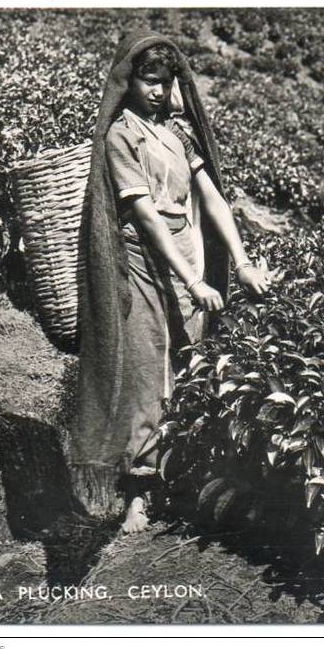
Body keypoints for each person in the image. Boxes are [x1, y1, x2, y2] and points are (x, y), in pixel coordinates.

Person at [73, 30, 271, 533]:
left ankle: (177, 478)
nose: (159, 91)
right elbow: (146, 217)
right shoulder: (123, 134)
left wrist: (242, 261)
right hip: (143, 264)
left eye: (166, 82)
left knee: (188, 366)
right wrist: (191, 282)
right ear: (130, 81)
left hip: (189, 256)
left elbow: (212, 199)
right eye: (149, 81)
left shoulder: (178, 133)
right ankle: (137, 491)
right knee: (146, 373)